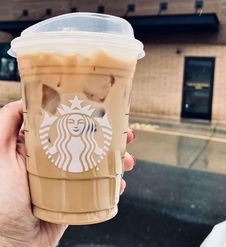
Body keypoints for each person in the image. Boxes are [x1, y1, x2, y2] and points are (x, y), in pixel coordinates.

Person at [0, 100, 136, 247]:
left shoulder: (92, 146)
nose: (76, 125)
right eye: (71, 121)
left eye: (79, 121)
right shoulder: (58, 146)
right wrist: (8, 239)